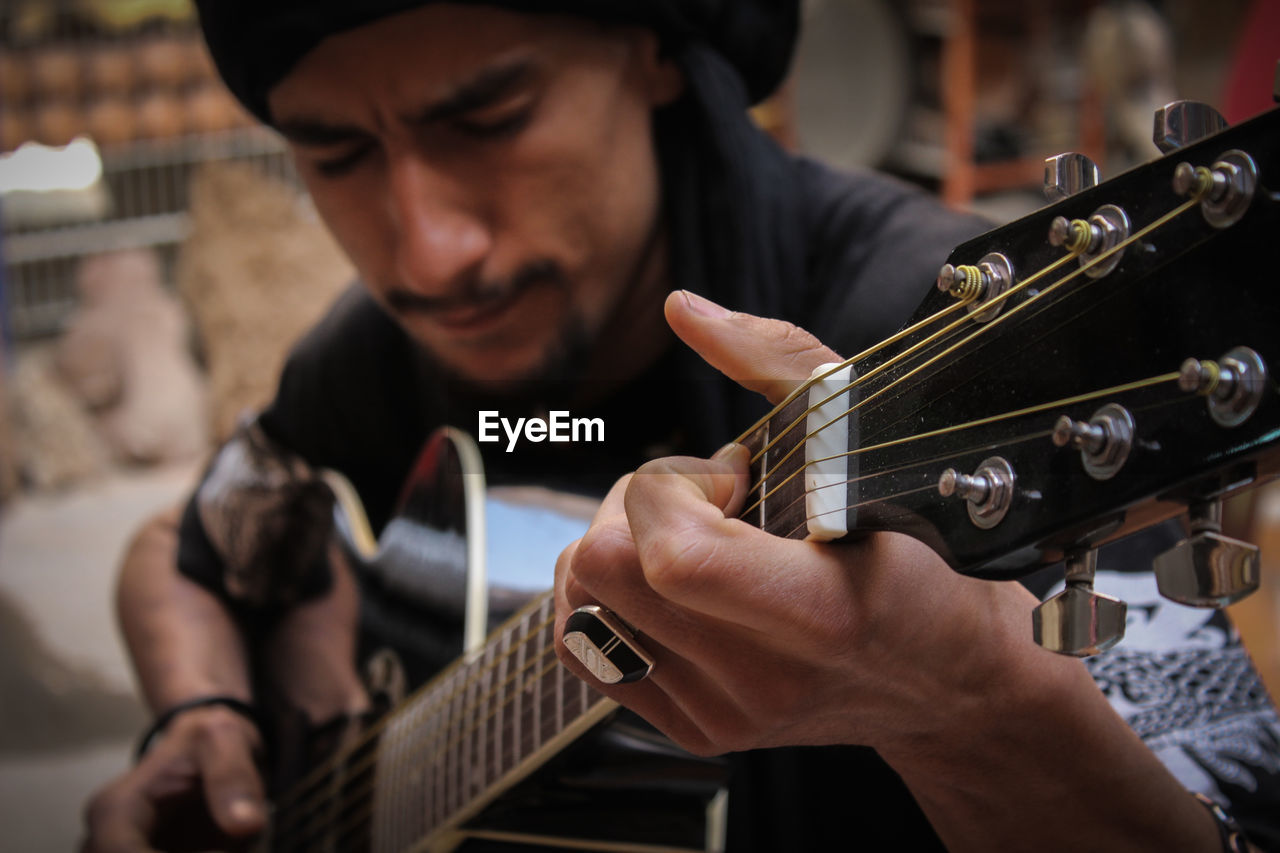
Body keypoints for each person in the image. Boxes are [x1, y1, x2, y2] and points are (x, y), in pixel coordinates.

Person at [81, 1, 1280, 851]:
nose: (428, 249)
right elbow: (184, 547)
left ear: (654, 52)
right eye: (335, 154)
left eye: (490, 115)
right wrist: (205, 713)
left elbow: (1222, 810)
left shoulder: (946, 342)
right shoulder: (388, 343)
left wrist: (965, 702)